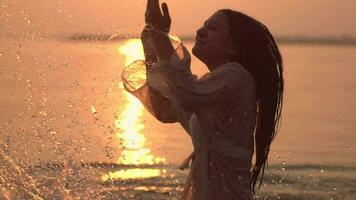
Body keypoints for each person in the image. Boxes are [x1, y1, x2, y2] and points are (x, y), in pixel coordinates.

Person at [121, 0, 284, 199]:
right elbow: (164, 108)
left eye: (213, 28)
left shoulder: (236, 76)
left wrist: (160, 36)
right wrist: (152, 41)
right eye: (203, 25)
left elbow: (185, 94)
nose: (201, 31)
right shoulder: (211, 96)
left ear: (233, 47)